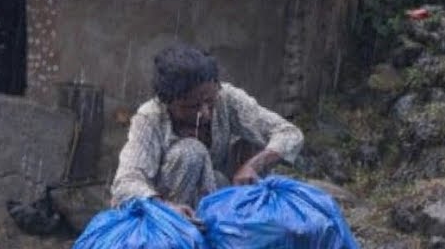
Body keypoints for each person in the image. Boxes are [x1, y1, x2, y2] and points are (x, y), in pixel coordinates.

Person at [109, 43, 303, 218]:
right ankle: (181, 236)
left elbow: (288, 133)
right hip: (162, 213)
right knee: (191, 152)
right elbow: (126, 182)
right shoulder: (150, 117)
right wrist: (165, 207)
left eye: (209, 102)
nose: (205, 113)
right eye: (193, 106)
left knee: (242, 155)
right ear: (169, 101)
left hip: (215, 200)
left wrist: (254, 165)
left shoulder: (227, 98)